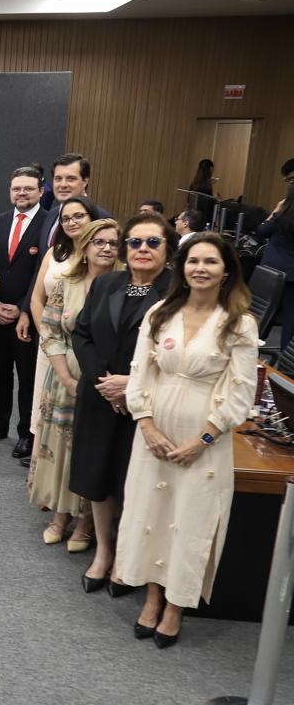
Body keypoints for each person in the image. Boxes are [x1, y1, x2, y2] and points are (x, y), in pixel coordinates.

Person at [117, 233, 258, 648]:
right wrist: (146, 425)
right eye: (193, 261)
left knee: (191, 521)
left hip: (205, 441)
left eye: (210, 262)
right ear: (181, 268)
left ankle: (177, 605)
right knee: (150, 513)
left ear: (226, 271)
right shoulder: (161, 313)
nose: (200, 268)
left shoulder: (239, 323)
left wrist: (205, 437)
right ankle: (152, 596)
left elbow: (242, 391)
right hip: (154, 435)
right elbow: (140, 372)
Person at [72, 212, 176, 595]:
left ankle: (129, 558)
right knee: (98, 477)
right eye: (134, 242)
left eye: (153, 242)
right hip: (101, 397)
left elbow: (180, 356)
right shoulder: (106, 284)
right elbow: (82, 334)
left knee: (132, 480)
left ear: (168, 249)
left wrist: (131, 385)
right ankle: (104, 552)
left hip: (149, 404)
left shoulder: (177, 294)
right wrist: (104, 382)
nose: (142, 250)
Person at [29, 218, 121, 550]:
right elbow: (51, 332)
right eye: (99, 242)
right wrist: (67, 379)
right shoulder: (67, 283)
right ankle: (59, 516)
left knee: (91, 450)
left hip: (105, 382)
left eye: (113, 243)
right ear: (86, 246)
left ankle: (85, 524)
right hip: (64, 377)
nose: (107, 248)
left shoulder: (124, 285)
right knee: (62, 448)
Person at [20, 195, 102, 466]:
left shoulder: (101, 255)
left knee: (74, 408)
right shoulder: (55, 253)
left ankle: (69, 472)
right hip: (51, 342)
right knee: (44, 406)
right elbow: (36, 297)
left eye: (79, 216)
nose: (72, 222)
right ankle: (41, 471)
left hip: (83, 346)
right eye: (66, 218)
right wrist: (46, 332)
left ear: (92, 219)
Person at [0, 166, 55, 458]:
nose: (21, 193)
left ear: (40, 191)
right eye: (16, 189)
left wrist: (23, 308)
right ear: (10, 191)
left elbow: (42, 273)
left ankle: (26, 432)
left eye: (28, 188)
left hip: (28, 318)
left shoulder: (50, 224)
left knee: (27, 378)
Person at [255, 183, 294, 349]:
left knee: (262, 313)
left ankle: (250, 348)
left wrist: (276, 211)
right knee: (290, 320)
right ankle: (287, 367)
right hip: (292, 275)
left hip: (270, 272)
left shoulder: (282, 215)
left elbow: (262, 230)